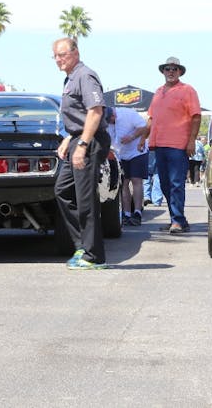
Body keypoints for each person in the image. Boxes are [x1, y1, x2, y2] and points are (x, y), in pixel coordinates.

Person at [52, 37, 111, 270]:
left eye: (62, 54)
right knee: (62, 190)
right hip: (78, 137)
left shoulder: (85, 75)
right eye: (55, 55)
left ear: (75, 53)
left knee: (85, 199)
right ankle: (83, 244)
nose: (58, 59)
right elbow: (79, 115)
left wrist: (83, 144)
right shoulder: (70, 78)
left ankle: (93, 256)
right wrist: (70, 138)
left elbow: (96, 111)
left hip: (90, 140)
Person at [139, 56, 201, 234]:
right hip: (159, 144)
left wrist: (191, 141)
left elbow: (196, 116)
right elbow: (151, 118)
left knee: (176, 183)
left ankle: (178, 221)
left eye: (174, 69)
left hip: (177, 144)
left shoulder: (188, 90)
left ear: (180, 71)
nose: (171, 72)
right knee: (164, 183)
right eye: (167, 69)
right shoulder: (158, 92)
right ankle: (177, 218)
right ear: (163, 71)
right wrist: (144, 137)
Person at [105, 106, 148, 226]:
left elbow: (144, 127)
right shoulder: (107, 123)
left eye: (110, 120)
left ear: (114, 115)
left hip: (137, 151)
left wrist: (132, 137)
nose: (109, 123)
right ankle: (126, 213)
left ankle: (138, 212)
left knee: (136, 180)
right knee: (124, 183)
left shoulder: (128, 114)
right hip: (121, 154)